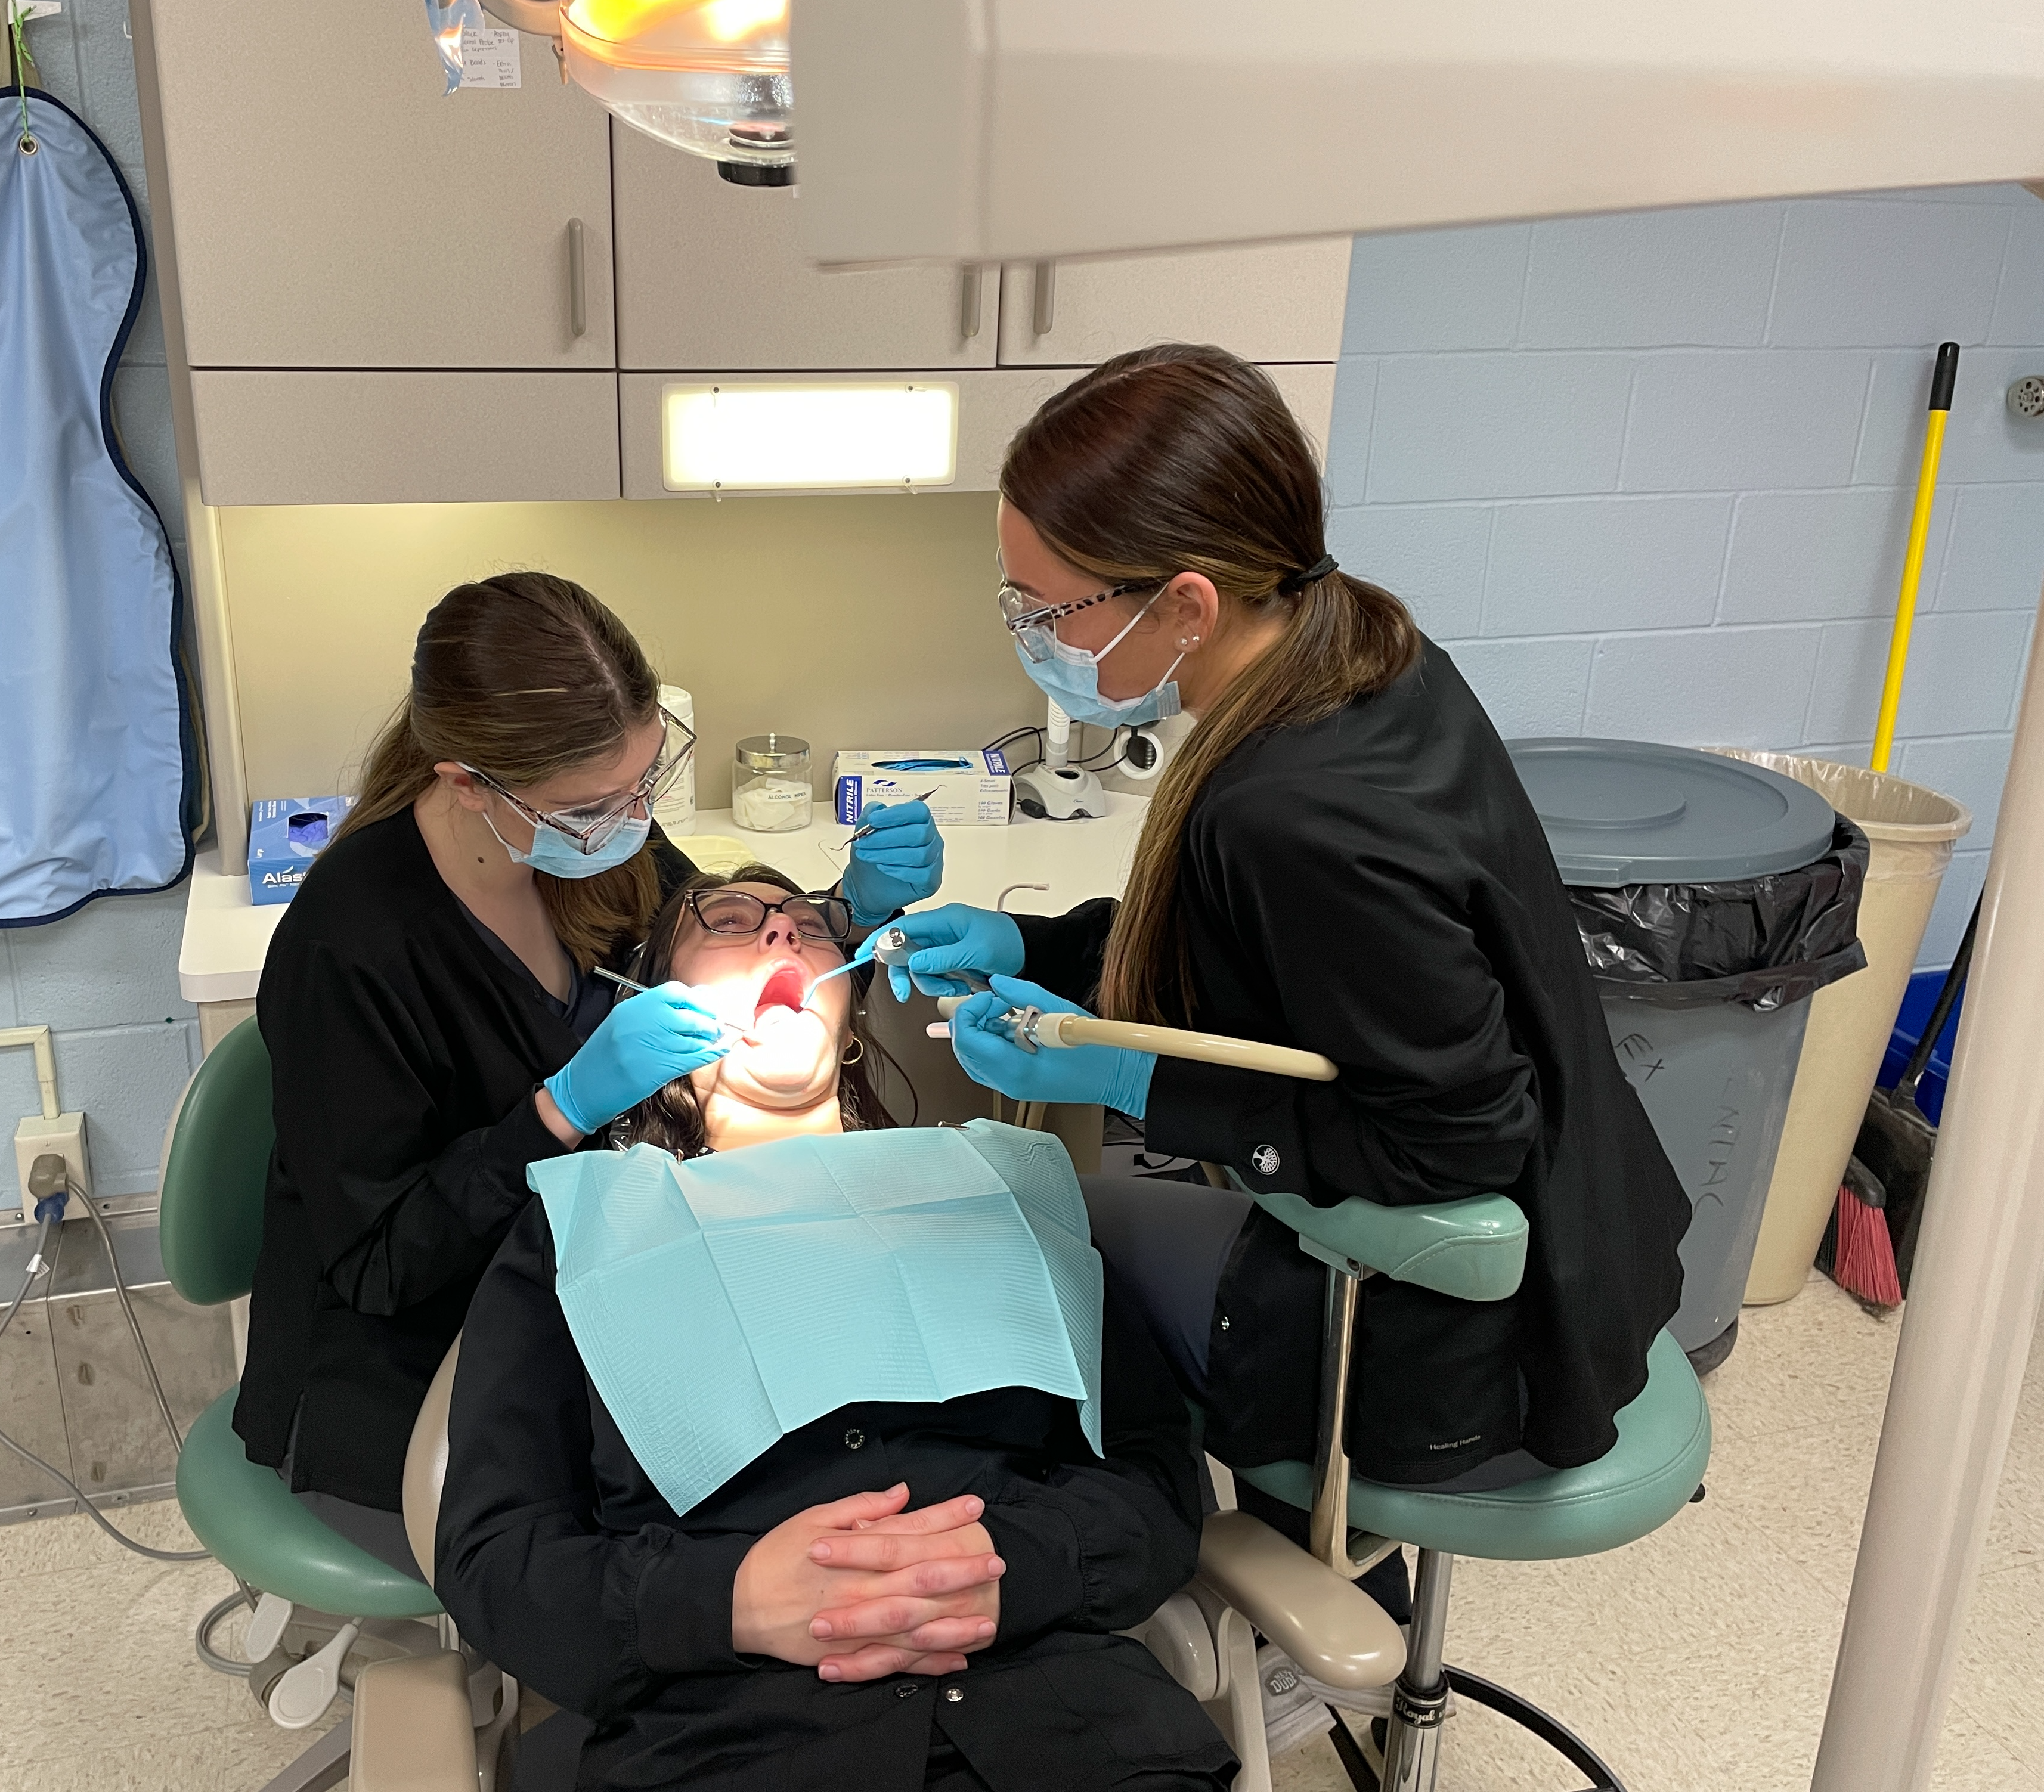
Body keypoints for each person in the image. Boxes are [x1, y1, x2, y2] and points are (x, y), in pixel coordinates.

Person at [887, 343, 1690, 1514]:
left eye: (1046, 609)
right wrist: (1042, 946)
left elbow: (1452, 1142)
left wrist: (1133, 1084)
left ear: (1186, 604)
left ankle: (1222, 1625)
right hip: (1592, 1240)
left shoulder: (1291, 811)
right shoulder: (1353, 646)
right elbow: (1288, 955)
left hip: (1459, 1343)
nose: (1029, 633)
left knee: (1029, 1238)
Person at [435, 865, 1237, 1792]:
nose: (782, 935)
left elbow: (1154, 1477)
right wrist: (729, 1601)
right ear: (653, 1005)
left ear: (853, 1010)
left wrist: (1014, 1568)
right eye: (731, 920)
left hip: (1063, 1725)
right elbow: (497, 1557)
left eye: (810, 925)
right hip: (729, 1740)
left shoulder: (998, 1188)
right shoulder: (580, 1233)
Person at [231, 574, 942, 1577]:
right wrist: (557, 1111)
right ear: (470, 783)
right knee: (652, 1546)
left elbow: (699, 930)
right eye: (597, 806)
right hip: (409, 1373)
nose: (632, 819)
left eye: (646, 784)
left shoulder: (594, 837)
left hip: (578, 1296)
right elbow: (381, 1264)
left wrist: (843, 914)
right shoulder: (351, 947)